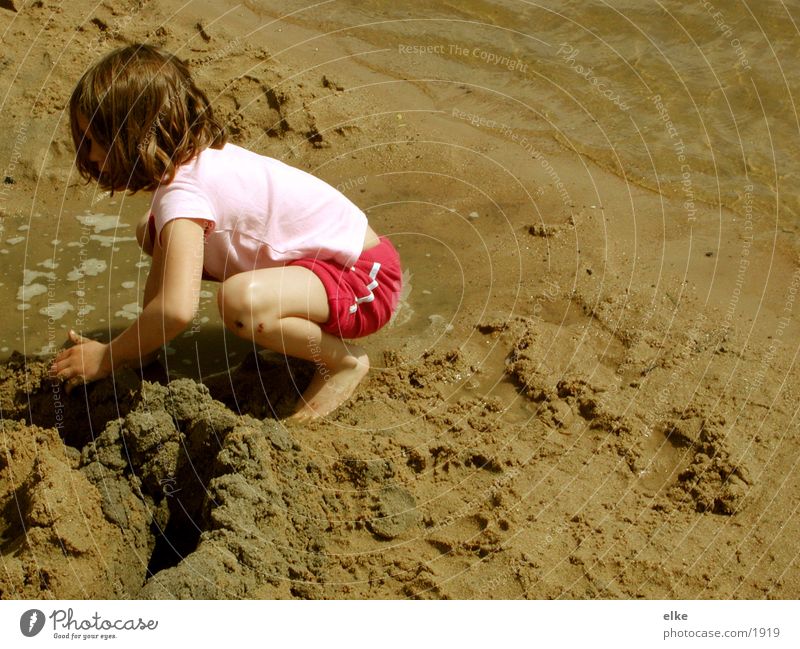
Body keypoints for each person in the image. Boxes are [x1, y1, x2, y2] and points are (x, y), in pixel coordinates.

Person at [50, 43, 402, 421]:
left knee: (239, 303)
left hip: (365, 282)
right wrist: (136, 349)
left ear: (133, 135)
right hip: (322, 266)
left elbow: (175, 311)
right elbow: (165, 296)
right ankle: (278, 327)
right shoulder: (194, 164)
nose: (88, 157)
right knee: (150, 231)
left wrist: (109, 355)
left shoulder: (184, 196)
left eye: (93, 141)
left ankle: (343, 362)